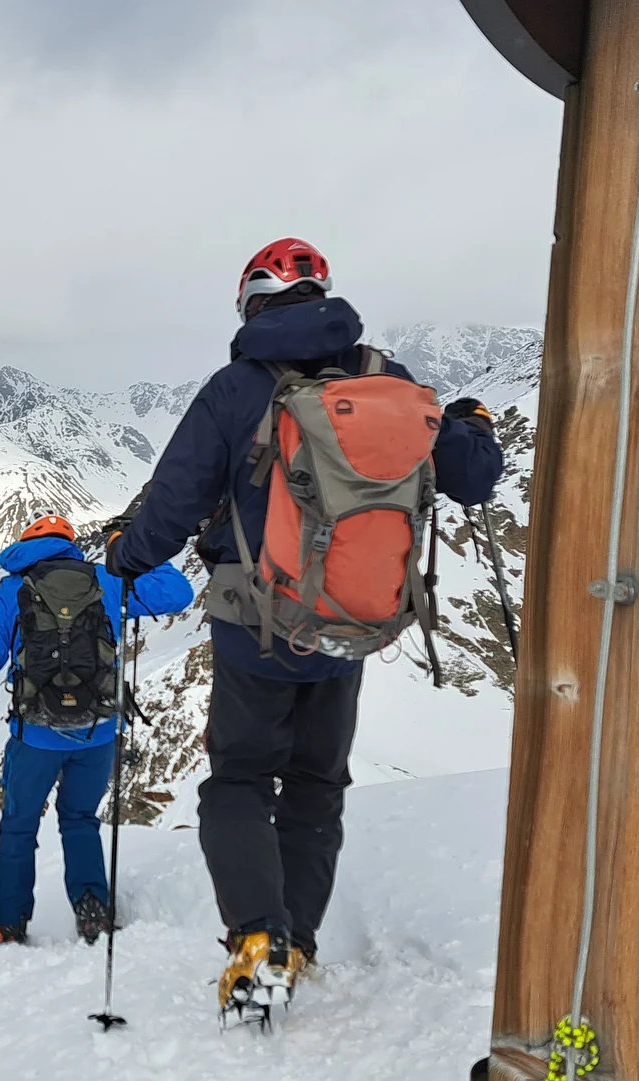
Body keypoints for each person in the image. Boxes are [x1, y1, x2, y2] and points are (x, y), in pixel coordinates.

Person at [103, 238, 503, 1021]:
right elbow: (475, 477)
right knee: (317, 785)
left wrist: (126, 554)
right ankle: (300, 944)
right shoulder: (387, 379)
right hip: (351, 628)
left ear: (252, 306)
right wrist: (471, 425)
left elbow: (174, 502)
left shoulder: (236, 389)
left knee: (239, 782)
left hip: (255, 629)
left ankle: (259, 940)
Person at [0, 514, 195, 947]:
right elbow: (179, 592)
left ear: (25, 546)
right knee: (80, 819)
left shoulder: (13, 589)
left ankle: (8, 920)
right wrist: (129, 543)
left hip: (35, 736)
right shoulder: (107, 580)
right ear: (70, 545)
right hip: (98, 731)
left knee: (19, 825)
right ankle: (92, 910)